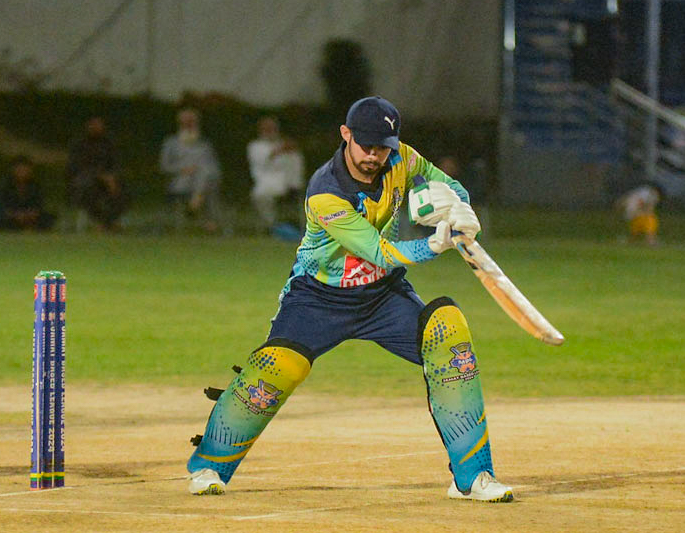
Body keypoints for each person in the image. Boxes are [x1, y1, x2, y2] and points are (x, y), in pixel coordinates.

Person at [186, 96, 514, 502]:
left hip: (382, 295)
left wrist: (460, 208)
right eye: (366, 145)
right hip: (317, 298)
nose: (374, 155)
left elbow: (446, 185)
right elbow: (378, 251)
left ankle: (474, 477)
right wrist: (435, 243)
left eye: (383, 147)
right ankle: (209, 467)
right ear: (346, 134)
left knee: (447, 337)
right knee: (276, 368)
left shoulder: (402, 158)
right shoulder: (326, 193)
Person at [159, 108, 222, 233]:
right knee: (207, 183)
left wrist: (202, 171)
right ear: (180, 123)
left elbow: (215, 167)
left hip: (204, 181)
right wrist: (182, 169)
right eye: (186, 122)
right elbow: (164, 166)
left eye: (192, 122)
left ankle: (195, 202)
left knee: (206, 174)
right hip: (181, 181)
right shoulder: (171, 143)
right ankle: (208, 220)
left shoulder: (205, 144)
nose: (189, 125)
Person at [66, 116, 128, 231]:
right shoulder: (79, 144)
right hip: (85, 181)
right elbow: (76, 167)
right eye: (93, 124)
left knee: (120, 190)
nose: (96, 127)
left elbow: (115, 164)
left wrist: (111, 177)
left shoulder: (108, 144)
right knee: (89, 192)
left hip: (107, 181)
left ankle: (110, 222)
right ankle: (103, 222)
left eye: (98, 124)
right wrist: (100, 176)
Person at [247, 116, 305, 234]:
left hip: (286, 181)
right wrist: (279, 150)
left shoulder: (287, 146)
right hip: (264, 180)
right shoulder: (255, 146)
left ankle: (291, 227)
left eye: (272, 128)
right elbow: (261, 161)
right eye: (266, 128)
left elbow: (296, 165)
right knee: (260, 195)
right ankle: (271, 226)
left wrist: (295, 183)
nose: (270, 131)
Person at [0, 155, 55, 231]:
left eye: (25, 169)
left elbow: (39, 204)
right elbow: (0, 206)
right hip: (12, 216)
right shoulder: (5, 185)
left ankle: (30, 227)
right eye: (19, 169)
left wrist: (31, 214)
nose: (22, 172)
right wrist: (15, 214)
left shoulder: (35, 186)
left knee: (47, 217)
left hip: (29, 216)